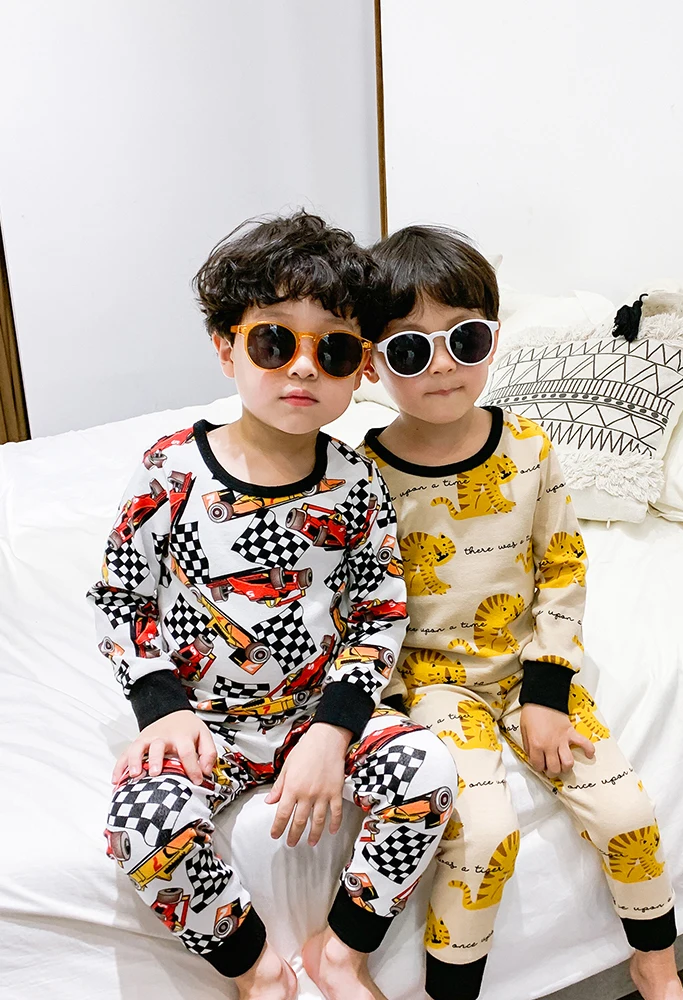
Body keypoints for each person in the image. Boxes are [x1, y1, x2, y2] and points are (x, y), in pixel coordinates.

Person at [87, 212, 457, 1000]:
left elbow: (379, 613)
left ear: (362, 368)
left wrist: (333, 731)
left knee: (427, 770)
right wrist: (161, 709)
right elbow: (122, 596)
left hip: (315, 714)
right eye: (273, 341)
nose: (304, 367)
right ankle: (257, 971)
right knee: (142, 822)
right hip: (207, 723)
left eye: (334, 350)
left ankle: (341, 953)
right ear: (226, 348)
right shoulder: (170, 471)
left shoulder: (355, 483)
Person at [358, 224, 683, 1000]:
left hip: (528, 666)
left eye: (465, 339)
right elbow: (364, 603)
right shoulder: (366, 475)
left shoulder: (531, 450)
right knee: (482, 833)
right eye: (411, 349)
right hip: (436, 685)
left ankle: (657, 966)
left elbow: (563, 572)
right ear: (372, 362)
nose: (443, 365)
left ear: (494, 339)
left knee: (625, 808)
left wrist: (545, 693)